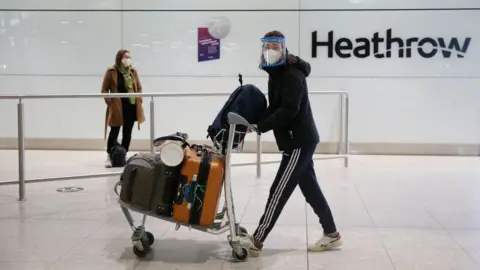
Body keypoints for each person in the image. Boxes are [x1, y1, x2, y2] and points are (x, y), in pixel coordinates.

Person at [245, 31, 342, 256]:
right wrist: (256, 122)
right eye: (266, 46)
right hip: (296, 140)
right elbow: (275, 106)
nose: (270, 50)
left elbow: (289, 110)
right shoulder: (275, 73)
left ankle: (257, 240)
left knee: (279, 190)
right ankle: (332, 234)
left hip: (298, 141)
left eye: (274, 46)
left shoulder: (292, 74)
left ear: (283, 48)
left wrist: (261, 126)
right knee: (310, 189)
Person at [101, 49, 145, 168]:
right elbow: (104, 90)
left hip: (131, 106)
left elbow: (139, 88)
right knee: (114, 131)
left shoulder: (133, 72)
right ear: (119, 58)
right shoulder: (111, 71)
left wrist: (139, 99)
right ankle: (110, 156)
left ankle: (123, 155)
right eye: (125, 57)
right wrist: (110, 102)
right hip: (117, 107)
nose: (128, 60)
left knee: (127, 132)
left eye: (129, 57)